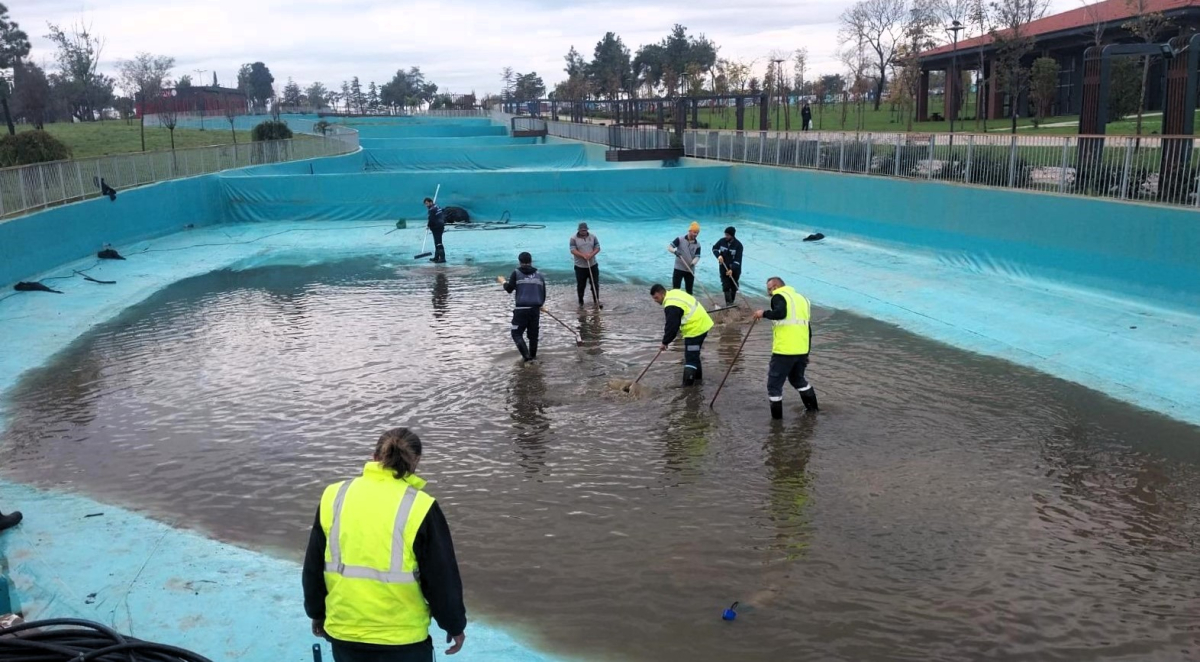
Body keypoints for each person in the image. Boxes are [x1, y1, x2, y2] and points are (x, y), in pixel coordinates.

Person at [303, 428, 466, 662]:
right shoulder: (421, 507)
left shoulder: (334, 496)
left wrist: (317, 613)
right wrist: (454, 625)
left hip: (345, 631)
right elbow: (441, 578)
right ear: (415, 462)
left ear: (374, 456)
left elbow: (314, 566)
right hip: (402, 639)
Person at [754, 277, 819, 419]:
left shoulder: (779, 296)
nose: (769, 293)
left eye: (769, 289)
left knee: (774, 386)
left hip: (784, 350)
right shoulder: (803, 299)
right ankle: (813, 412)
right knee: (797, 380)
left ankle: (776, 425)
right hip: (801, 349)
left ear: (776, 286)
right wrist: (806, 352)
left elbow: (780, 314)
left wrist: (763, 313)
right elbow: (807, 328)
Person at [650, 283, 714, 386]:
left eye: (656, 298)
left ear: (662, 294)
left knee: (690, 359)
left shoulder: (671, 305)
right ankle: (698, 382)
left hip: (695, 330)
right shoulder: (674, 293)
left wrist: (665, 342)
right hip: (703, 323)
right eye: (654, 299)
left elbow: (672, 326)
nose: (656, 301)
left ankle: (686, 389)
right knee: (695, 356)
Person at [499, 252, 546, 362]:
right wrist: (540, 305)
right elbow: (543, 292)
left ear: (519, 262)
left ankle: (527, 358)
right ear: (531, 261)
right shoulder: (539, 274)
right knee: (533, 336)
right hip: (535, 309)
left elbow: (509, 289)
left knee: (516, 333)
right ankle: (533, 358)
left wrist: (503, 282)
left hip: (521, 309)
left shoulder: (516, 272)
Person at [569, 222, 601, 306]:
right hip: (580, 267)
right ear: (578, 230)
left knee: (595, 284)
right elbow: (572, 250)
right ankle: (581, 302)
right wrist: (582, 255)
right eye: (582, 230)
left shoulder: (593, 236)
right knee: (581, 285)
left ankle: (596, 301)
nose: (584, 232)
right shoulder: (573, 238)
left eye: (585, 230)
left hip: (592, 265)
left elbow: (597, 247)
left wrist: (591, 254)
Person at [711, 226, 744, 306]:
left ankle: (732, 301)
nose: (726, 237)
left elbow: (738, 260)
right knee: (725, 285)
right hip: (723, 267)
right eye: (725, 234)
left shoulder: (739, 245)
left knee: (733, 286)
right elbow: (714, 248)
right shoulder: (722, 241)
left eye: (727, 235)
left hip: (735, 269)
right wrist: (718, 256)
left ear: (732, 235)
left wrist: (732, 269)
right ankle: (728, 304)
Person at [667, 222, 701, 295]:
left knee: (689, 291)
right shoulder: (680, 239)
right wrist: (675, 251)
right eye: (694, 232)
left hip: (690, 270)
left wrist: (693, 263)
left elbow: (697, 256)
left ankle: (689, 305)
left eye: (697, 233)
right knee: (676, 290)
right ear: (689, 231)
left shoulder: (697, 244)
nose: (696, 234)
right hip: (678, 268)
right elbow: (669, 247)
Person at [424, 197, 446, 264]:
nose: (426, 205)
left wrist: (428, 225)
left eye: (427, 203)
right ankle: (436, 257)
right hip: (440, 225)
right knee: (437, 242)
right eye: (425, 204)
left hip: (437, 227)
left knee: (438, 242)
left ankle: (442, 258)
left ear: (431, 202)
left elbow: (431, 219)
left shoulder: (432, 209)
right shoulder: (436, 206)